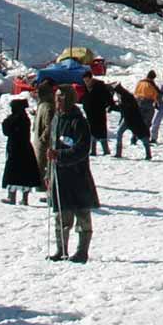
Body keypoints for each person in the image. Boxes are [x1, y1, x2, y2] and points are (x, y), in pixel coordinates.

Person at [47, 93, 98, 262]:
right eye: (56, 99)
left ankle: (82, 251)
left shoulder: (79, 122)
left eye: (61, 99)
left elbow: (82, 149)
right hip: (59, 175)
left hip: (77, 176)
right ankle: (61, 250)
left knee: (82, 214)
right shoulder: (56, 119)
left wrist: (60, 154)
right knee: (61, 214)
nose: (57, 102)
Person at [2, 99, 44, 205]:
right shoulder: (25, 118)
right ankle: (25, 199)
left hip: (15, 149)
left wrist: (6, 120)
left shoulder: (14, 119)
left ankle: (11, 197)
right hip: (26, 149)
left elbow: (6, 130)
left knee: (12, 173)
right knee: (26, 174)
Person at [112, 82, 152, 160]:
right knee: (119, 133)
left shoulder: (128, 97)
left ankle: (148, 154)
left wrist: (117, 107)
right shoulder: (122, 97)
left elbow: (127, 108)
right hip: (127, 119)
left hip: (134, 120)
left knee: (143, 136)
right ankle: (118, 153)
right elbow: (122, 108)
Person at [135, 70, 163, 146]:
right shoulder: (151, 84)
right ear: (153, 78)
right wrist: (158, 103)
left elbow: (135, 92)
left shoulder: (140, 82)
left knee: (138, 122)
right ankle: (146, 139)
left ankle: (134, 138)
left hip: (138, 102)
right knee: (147, 122)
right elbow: (157, 94)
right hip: (148, 104)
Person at [81, 79, 112, 156]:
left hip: (98, 113)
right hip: (94, 114)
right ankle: (99, 150)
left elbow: (107, 100)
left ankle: (100, 150)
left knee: (96, 131)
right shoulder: (90, 90)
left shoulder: (98, 90)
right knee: (96, 131)